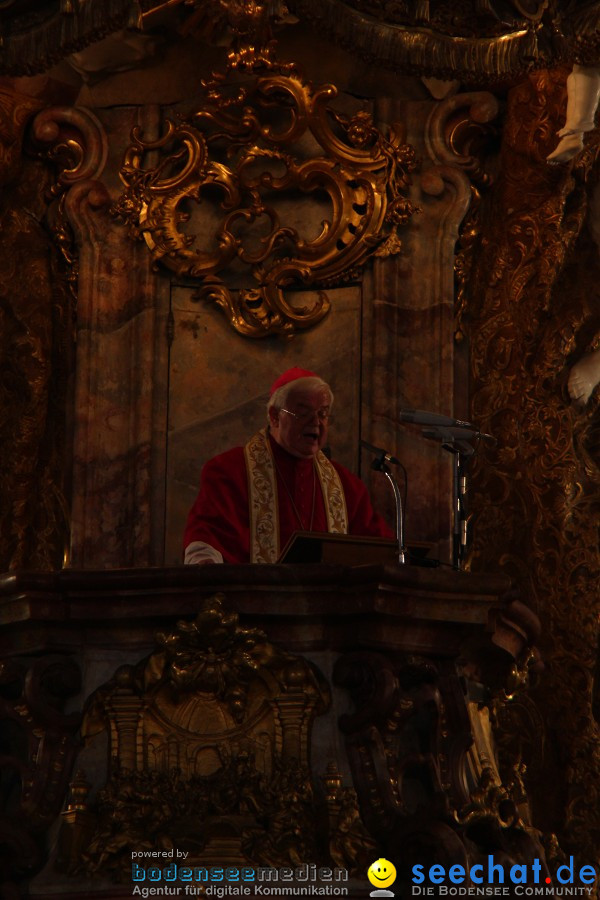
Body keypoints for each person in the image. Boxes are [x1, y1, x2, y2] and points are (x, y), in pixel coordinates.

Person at [183, 367, 394, 564]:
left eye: (323, 413)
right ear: (275, 416)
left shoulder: (347, 486)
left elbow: (380, 549)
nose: (315, 422)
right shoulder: (229, 472)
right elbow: (205, 537)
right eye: (303, 413)